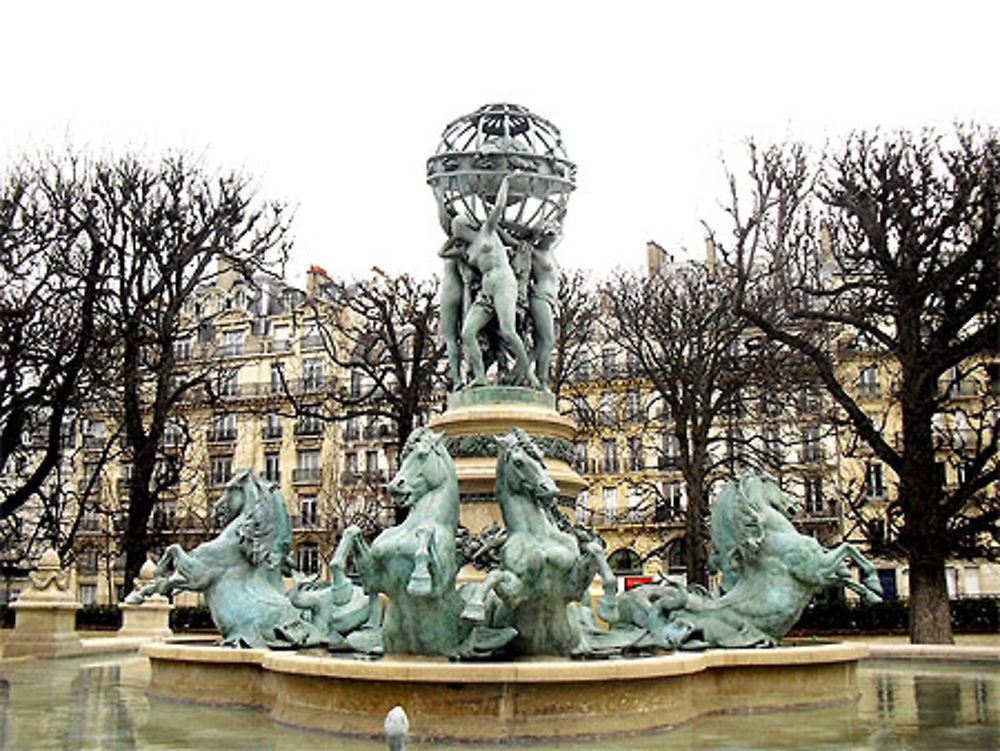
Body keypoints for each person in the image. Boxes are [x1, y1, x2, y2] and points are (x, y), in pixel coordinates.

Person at [440, 173, 538, 389]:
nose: (458, 229)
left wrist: (507, 181)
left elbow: (500, 205)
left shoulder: (487, 230)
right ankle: (480, 377)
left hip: (504, 283)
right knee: (467, 333)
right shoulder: (468, 249)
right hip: (486, 289)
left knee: (508, 331)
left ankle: (527, 374)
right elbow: (442, 253)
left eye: (459, 227)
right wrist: (454, 240)